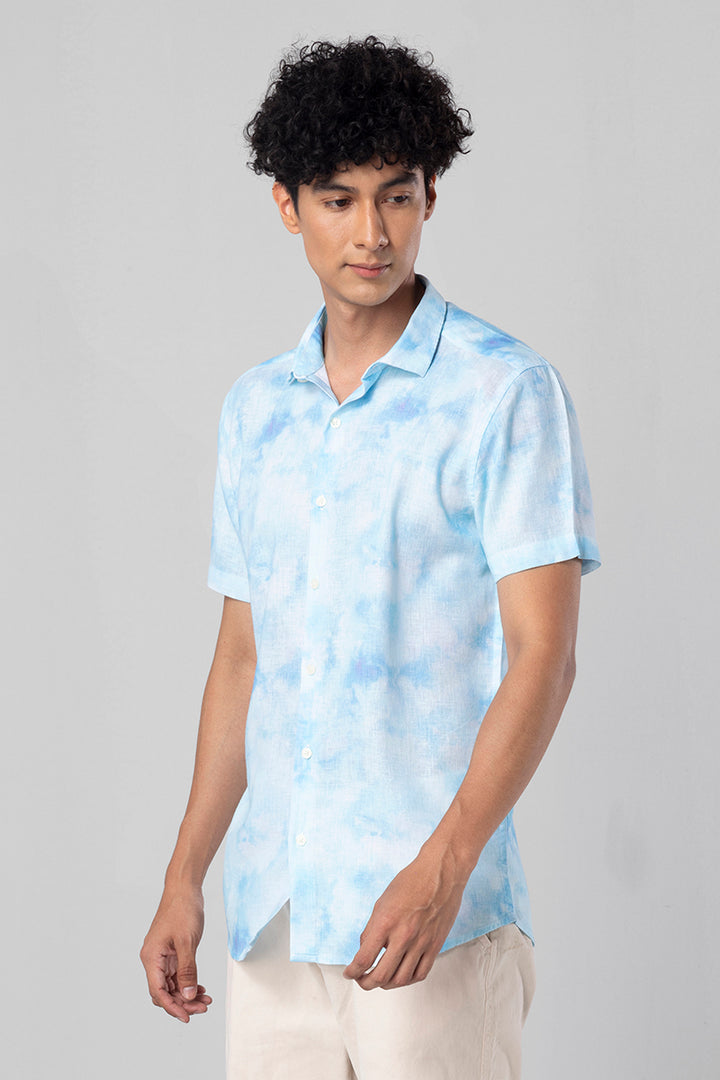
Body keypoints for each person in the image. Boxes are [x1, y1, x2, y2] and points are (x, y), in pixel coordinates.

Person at [140, 36, 600, 1079]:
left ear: (430, 194)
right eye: (339, 200)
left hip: (433, 921)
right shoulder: (257, 410)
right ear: (288, 205)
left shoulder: (503, 392)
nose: (372, 233)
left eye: (396, 196)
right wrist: (184, 875)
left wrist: (445, 868)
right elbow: (243, 661)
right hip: (275, 919)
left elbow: (545, 655)